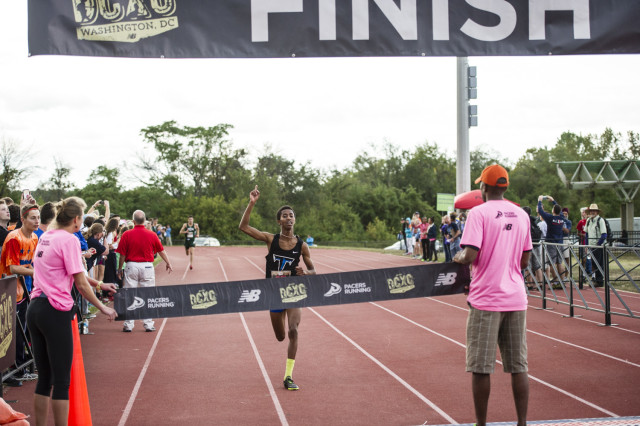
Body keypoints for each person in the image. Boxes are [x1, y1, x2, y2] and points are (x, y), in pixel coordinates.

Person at [26, 197, 117, 426]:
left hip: (35, 308)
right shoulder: (69, 241)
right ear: (76, 219)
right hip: (54, 312)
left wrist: (100, 284)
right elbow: (80, 283)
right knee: (62, 381)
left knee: (44, 378)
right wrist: (103, 306)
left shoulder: (46, 237)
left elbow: (73, 273)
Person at [453, 164, 531, 426]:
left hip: (487, 298)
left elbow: (470, 254)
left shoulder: (478, 213)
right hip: (516, 298)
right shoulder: (521, 215)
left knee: (480, 365)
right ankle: (522, 422)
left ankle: (481, 423)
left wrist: (458, 257)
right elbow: (525, 260)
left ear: (484, 188)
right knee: (518, 365)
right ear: (505, 186)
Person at [239, 185, 316, 391]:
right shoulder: (271, 239)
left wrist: (305, 273)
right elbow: (244, 228)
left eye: (291, 215)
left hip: (293, 292)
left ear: (294, 220)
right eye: (285, 215)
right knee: (281, 336)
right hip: (273, 293)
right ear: (279, 221)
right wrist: (252, 203)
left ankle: (288, 376)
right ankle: (281, 329)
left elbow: (313, 272)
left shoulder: (302, 245)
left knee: (293, 331)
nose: (289, 218)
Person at [0, 203, 40, 387]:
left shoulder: (33, 238)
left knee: (22, 328)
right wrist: (38, 273)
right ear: (23, 219)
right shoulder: (14, 238)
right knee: (12, 331)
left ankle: (21, 366)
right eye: (33, 218)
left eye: (38, 217)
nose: (37, 221)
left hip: (23, 289)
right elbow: (13, 267)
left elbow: (30, 264)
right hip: (8, 291)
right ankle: (13, 370)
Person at [117, 210, 173, 332]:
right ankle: (148, 323)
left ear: (133, 221)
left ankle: (128, 324)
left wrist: (119, 268)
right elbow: (161, 250)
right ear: (144, 221)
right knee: (148, 295)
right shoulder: (152, 234)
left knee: (130, 295)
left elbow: (122, 254)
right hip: (147, 266)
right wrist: (168, 262)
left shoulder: (127, 234)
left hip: (131, 265)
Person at [537, 195, 566, 284]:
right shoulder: (562, 217)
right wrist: (553, 201)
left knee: (552, 262)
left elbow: (541, 211)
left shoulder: (550, 218)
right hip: (560, 242)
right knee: (559, 262)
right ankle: (562, 280)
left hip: (551, 242)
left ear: (553, 210)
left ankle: (556, 281)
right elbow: (559, 210)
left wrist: (540, 201)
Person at [585, 203, 607, 287]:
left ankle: (599, 281)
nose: (592, 212)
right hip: (591, 246)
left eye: (594, 211)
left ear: (597, 212)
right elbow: (586, 233)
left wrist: (598, 244)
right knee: (593, 263)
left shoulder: (600, 220)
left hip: (599, 246)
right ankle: (596, 280)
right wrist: (586, 245)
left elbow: (604, 234)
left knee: (599, 263)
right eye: (591, 211)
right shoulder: (588, 220)